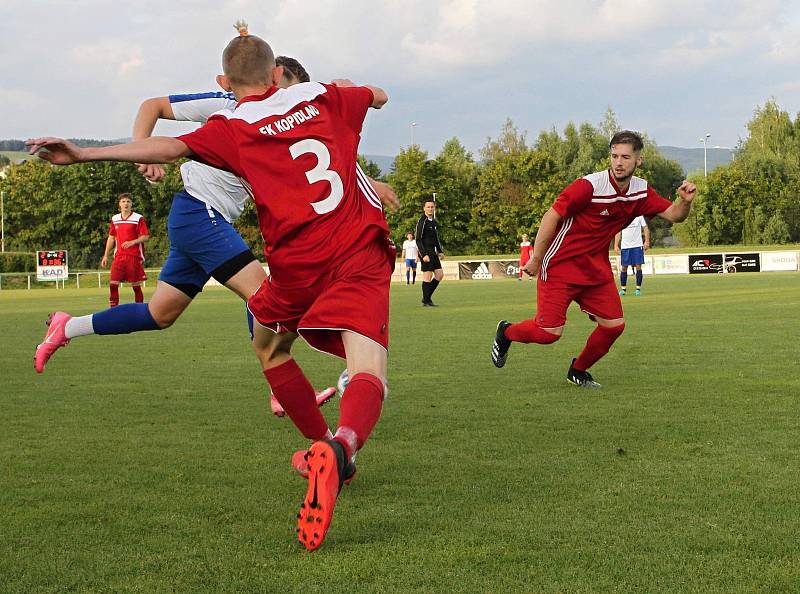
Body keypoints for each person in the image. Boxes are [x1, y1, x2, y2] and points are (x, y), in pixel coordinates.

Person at [28, 30, 392, 552]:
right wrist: (358, 91)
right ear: (276, 75)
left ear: (226, 82)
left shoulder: (230, 127)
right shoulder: (325, 96)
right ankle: (338, 448)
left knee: (228, 333)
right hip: (319, 244)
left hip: (288, 261)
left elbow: (171, 146)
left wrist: (85, 154)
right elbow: (375, 95)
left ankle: (70, 326)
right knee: (367, 368)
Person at [33, 57, 347, 415]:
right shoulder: (227, 106)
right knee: (265, 294)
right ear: (273, 79)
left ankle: (67, 326)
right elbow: (153, 105)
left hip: (200, 220)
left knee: (159, 314)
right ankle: (283, 388)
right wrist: (141, 154)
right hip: (200, 212)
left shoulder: (283, 125)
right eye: (286, 94)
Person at [490, 130, 696, 388]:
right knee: (548, 333)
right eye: (614, 156)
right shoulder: (589, 186)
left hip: (595, 270)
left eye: (625, 157)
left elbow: (675, 215)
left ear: (638, 160)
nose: (618, 162)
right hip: (560, 265)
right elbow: (551, 216)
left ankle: (578, 370)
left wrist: (685, 202)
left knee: (614, 327)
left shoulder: (641, 191)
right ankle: (506, 332)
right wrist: (536, 258)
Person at [102, 193, 149, 307]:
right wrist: (105, 255)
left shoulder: (138, 218)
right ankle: (113, 311)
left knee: (136, 286)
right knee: (113, 284)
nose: (126, 204)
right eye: (123, 201)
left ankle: (139, 310)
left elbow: (145, 236)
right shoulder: (115, 218)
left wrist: (132, 242)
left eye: (128, 201)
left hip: (134, 256)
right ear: (119, 204)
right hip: (119, 256)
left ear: (131, 204)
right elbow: (111, 237)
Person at [415, 199, 444, 306]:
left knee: (439, 275)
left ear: (434, 208)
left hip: (433, 252)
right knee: (427, 276)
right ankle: (427, 301)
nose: (430, 208)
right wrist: (424, 254)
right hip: (426, 251)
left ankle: (426, 298)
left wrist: (440, 251)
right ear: (424, 208)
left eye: (432, 207)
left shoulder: (434, 222)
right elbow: (418, 239)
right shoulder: (422, 221)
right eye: (428, 207)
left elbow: (436, 238)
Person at [614, 215, 650, 296]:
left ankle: (638, 289)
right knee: (624, 267)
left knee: (638, 266)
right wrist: (616, 245)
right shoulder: (622, 216)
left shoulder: (639, 216)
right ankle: (623, 289)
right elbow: (618, 231)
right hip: (625, 246)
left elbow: (645, 227)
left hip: (637, 245)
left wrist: (647, 241)